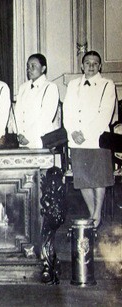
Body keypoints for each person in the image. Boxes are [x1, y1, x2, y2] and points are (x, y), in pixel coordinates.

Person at [63, 50, 116, 228]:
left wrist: (84, 133)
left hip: (96, 138)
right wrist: (73, 131)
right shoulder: (73, 85)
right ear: (82, 65)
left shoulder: (107, 84)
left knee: (98, 178)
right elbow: (67, 111)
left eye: (95, 63)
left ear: (100, 66)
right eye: (87, 63)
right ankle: (93, 213)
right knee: (83, 178)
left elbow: (105, 114)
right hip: (76, 139)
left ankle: (97, 214)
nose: (91, 66)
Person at [14, 54, 60, 148]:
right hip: (22, 139)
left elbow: (46, 117)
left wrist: (29, 136)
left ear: (43, 69)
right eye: (28, 66)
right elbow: (17, 113)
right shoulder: (23, 87)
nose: (29, 69)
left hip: (40, 138)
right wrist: (19, 133)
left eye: (33, 66)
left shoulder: (50, 87)